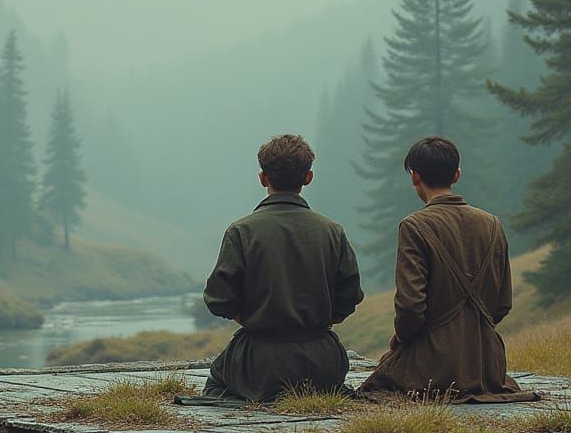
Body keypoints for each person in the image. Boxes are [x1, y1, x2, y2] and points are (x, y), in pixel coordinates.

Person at [359, 136, 538, 402]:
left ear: (414, 176)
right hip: (486, 365)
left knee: (378, 384)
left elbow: (410, 308)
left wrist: (402, 339)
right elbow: (502, 304)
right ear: (456, 174)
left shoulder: (414, 226)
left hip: (433, 365)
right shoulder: (493, 224)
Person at [202, 134, 364, 402]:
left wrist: (252, 319)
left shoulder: (242, 231)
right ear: (308, 177)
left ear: (263, 178)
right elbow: (349, 297)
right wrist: (317, 323)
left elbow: (219, 300)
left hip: (259, 362)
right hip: (323, 362)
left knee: (217, 388)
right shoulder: (332, 231)